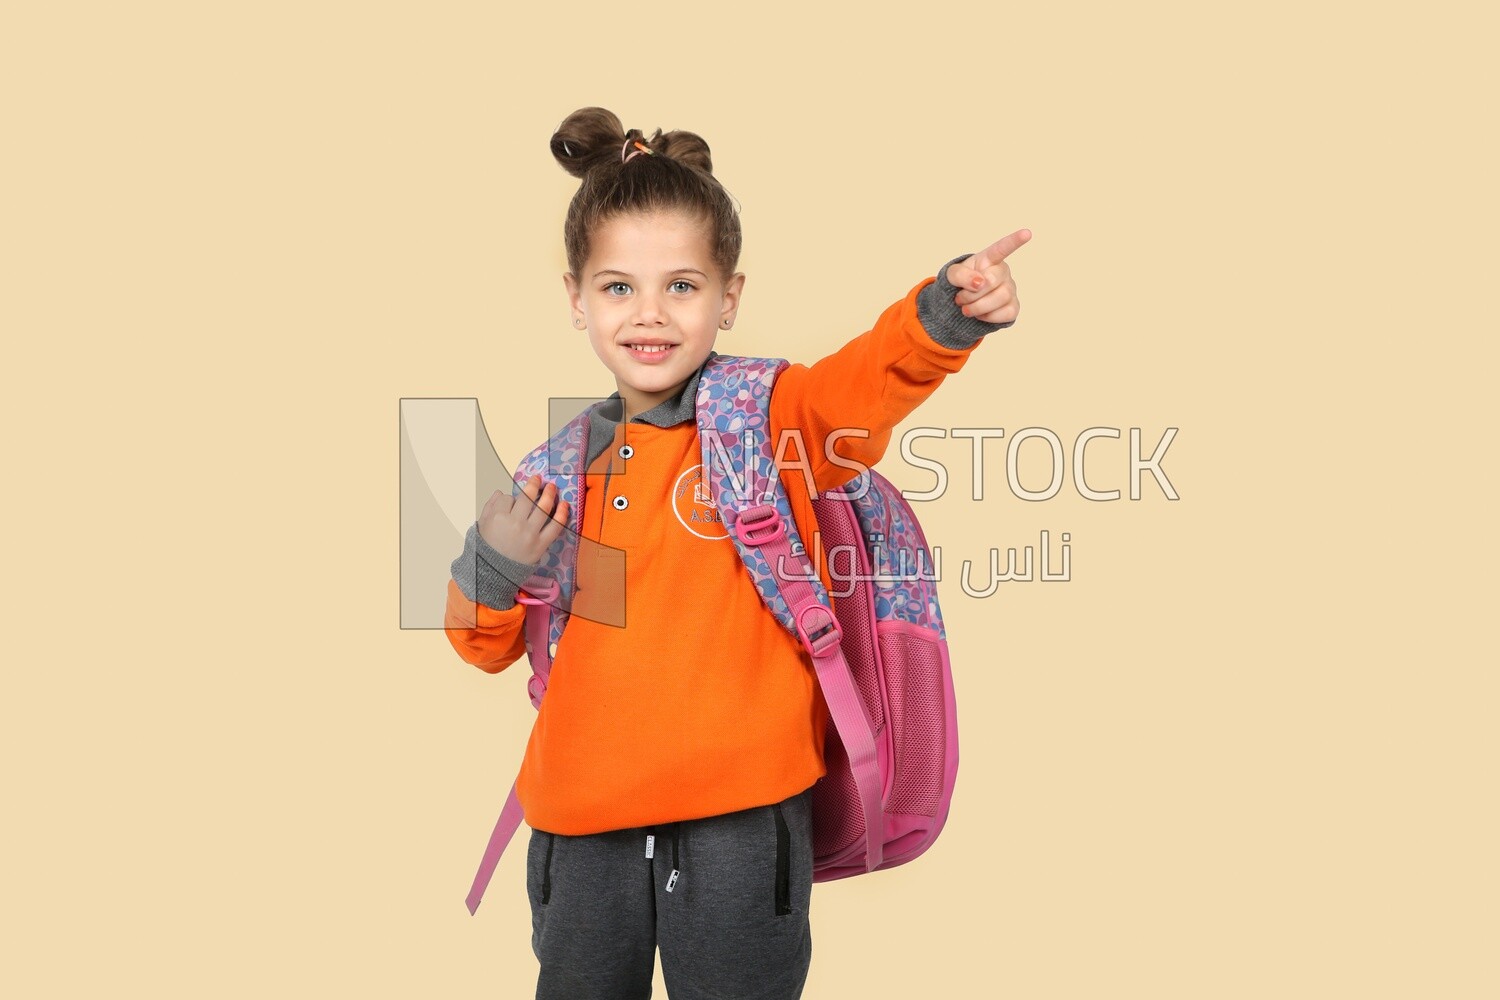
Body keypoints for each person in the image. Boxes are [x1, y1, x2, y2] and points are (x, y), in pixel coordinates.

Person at [443, 105, 1029, 1000]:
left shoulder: (772, 419)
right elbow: (483, 646)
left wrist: (945, 312)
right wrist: (496, 560)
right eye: (616, 288)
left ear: (729, 298)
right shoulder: (555, 471)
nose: (649, 315)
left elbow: (858, 387)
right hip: (578, 826)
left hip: (741, 823)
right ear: (576, 300)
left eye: (682, 286)